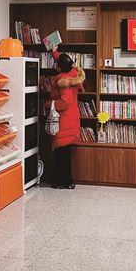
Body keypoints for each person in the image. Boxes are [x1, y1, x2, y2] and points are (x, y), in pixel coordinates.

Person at [49, 49, 85, 189]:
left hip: (64, 120)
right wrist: (54, 51)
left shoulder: (63, 81)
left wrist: (50, 104)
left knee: (61, 153)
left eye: (57, 64)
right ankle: (66, 181)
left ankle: (62, 181)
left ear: (60, 67)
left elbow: (65, 101)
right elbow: (63, 61)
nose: (55, 65)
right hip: (72, 117)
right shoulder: (73, 74)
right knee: (65, 153)